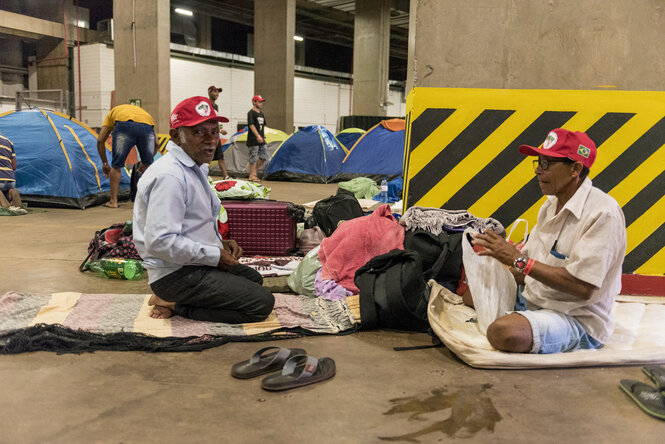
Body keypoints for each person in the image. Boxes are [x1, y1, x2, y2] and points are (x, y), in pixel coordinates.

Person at [465, 128, 626, 354]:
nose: (539, 171)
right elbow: (529, 267)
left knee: (503, 333)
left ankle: (529, 322)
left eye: (547, 163)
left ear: (575, 169)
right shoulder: (550, 206)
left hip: (574, 317)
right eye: (538, 163)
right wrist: (498, 266)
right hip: (538, 298)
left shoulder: (603, 213)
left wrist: (517, 259)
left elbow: (583, 288)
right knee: (471, 295)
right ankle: (525, 315)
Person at [133, 96, 274, 322]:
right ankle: (175, 304)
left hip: (192, 263)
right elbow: (160, 241)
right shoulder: (170, 176)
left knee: (253, 280)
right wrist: (214, 255)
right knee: (260, 303)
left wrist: (219, 244)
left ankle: (180, 299)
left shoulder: (195, 167)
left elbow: (192, 222)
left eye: (215, 132)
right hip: (174, 274)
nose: (211, 140)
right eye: (199, 132)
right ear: (176, 136)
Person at [97, 104, 157, 208]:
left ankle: (113, 201)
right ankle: (150, 200)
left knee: (116, 166)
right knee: (148, 166)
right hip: (147, 126)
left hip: (124, 125)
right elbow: (157, 144)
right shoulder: (144, 114)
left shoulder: (113, 112)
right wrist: (145, 162)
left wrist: (105, 163)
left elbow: (100, 140)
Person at [207, 85, 231, 179]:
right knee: (207, 157)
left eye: (218, 92)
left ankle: (226, 176)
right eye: (214, 91)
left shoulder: (216, 106)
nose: (217, 94)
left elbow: (215, 121)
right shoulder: (206, 105)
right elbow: (208, 120)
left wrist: (219, 130)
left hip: (216, 135)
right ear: (209, 93)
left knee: (220, 156)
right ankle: (205, 176)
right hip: (209, 135)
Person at [0, 132, 26, 214]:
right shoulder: (8, 141)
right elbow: (14, 166)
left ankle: (4, 204)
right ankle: (11, 192)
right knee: (7, 190)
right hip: (10, 180)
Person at [246, 94, 268, 182]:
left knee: (263, 156)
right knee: (253, 157)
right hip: (253, 139)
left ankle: (254, 172)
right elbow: (251, 125)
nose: (261, 103)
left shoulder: (261, 114)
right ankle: (252, 175)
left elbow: (262, 126)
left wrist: (263, 136)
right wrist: (257, 135)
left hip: (261, 139)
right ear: (254, 102)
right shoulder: (251, 113)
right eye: (259, 101)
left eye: (262, 102)